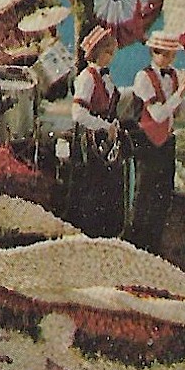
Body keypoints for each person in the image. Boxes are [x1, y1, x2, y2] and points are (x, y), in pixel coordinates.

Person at [125, 31, 185, 255]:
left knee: (163, 195)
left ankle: (153, 246)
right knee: (144, 195)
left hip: (166, 141)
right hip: (146, 141)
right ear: (153, 53)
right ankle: (134, 245)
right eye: (164, 55)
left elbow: (182, 114)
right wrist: (178, 92)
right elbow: (157, 114)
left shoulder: (175, 76)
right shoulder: (143, 77)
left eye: (171, 55)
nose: (169, 59)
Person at [67, 26, 125, 238]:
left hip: (105, 139)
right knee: (92, 185)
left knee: (107, 185)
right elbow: (77, 113)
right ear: (97, 52)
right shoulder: (87, 78)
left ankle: (106, 231)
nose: (111, 57)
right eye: (108, 52)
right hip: (90, 139)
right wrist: (103, 125)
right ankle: (89, 230)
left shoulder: (105, 78)